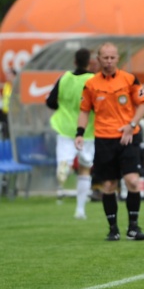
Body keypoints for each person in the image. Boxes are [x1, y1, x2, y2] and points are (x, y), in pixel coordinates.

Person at [75, 42, 144, 241]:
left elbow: (143, 105)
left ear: (118, 59)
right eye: (105, 58)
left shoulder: (130, 79)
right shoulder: (91, 84)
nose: (108, 61)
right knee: (108, 185)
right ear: (98, 60)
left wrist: (131, 124)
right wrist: (80, 133)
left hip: (128, 136)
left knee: (132, 180)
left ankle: (133, 227)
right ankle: (113, 228)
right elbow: (84, 110)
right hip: (104, 139)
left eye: (112, 58)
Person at [46, 48, 96, 219]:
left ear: (74, 62)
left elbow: (51, 102)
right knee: (85, 168)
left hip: (65, 127)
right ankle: (80, 210)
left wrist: (65, 108)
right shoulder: (93, 80)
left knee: (65, 158)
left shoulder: (64, 77)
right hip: (87, 130)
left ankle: (64, 166)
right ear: (90, 62)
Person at [1, 68, 15, 139]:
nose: (7, 76)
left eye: (9, 74)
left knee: (9, 129)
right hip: (5, 111)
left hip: (14, 113)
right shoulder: (6, 86)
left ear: (14, 76)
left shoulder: (16, 86)